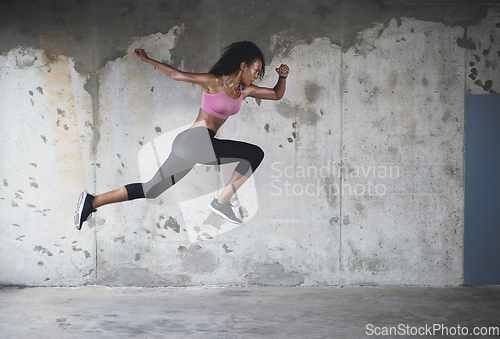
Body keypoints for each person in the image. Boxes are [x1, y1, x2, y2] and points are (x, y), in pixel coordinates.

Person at [74, 41, 290, 230]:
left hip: (191, 146)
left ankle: (92, 202)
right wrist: (148, 60)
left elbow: (276, 94)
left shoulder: (245, 91)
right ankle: (222, 203)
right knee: (255, 154)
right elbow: (178, 75)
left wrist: (282, 77)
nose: (257, 75)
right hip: (196, 141)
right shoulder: (215, 82)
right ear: (243, 65)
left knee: (151, 190)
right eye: (256, 69)